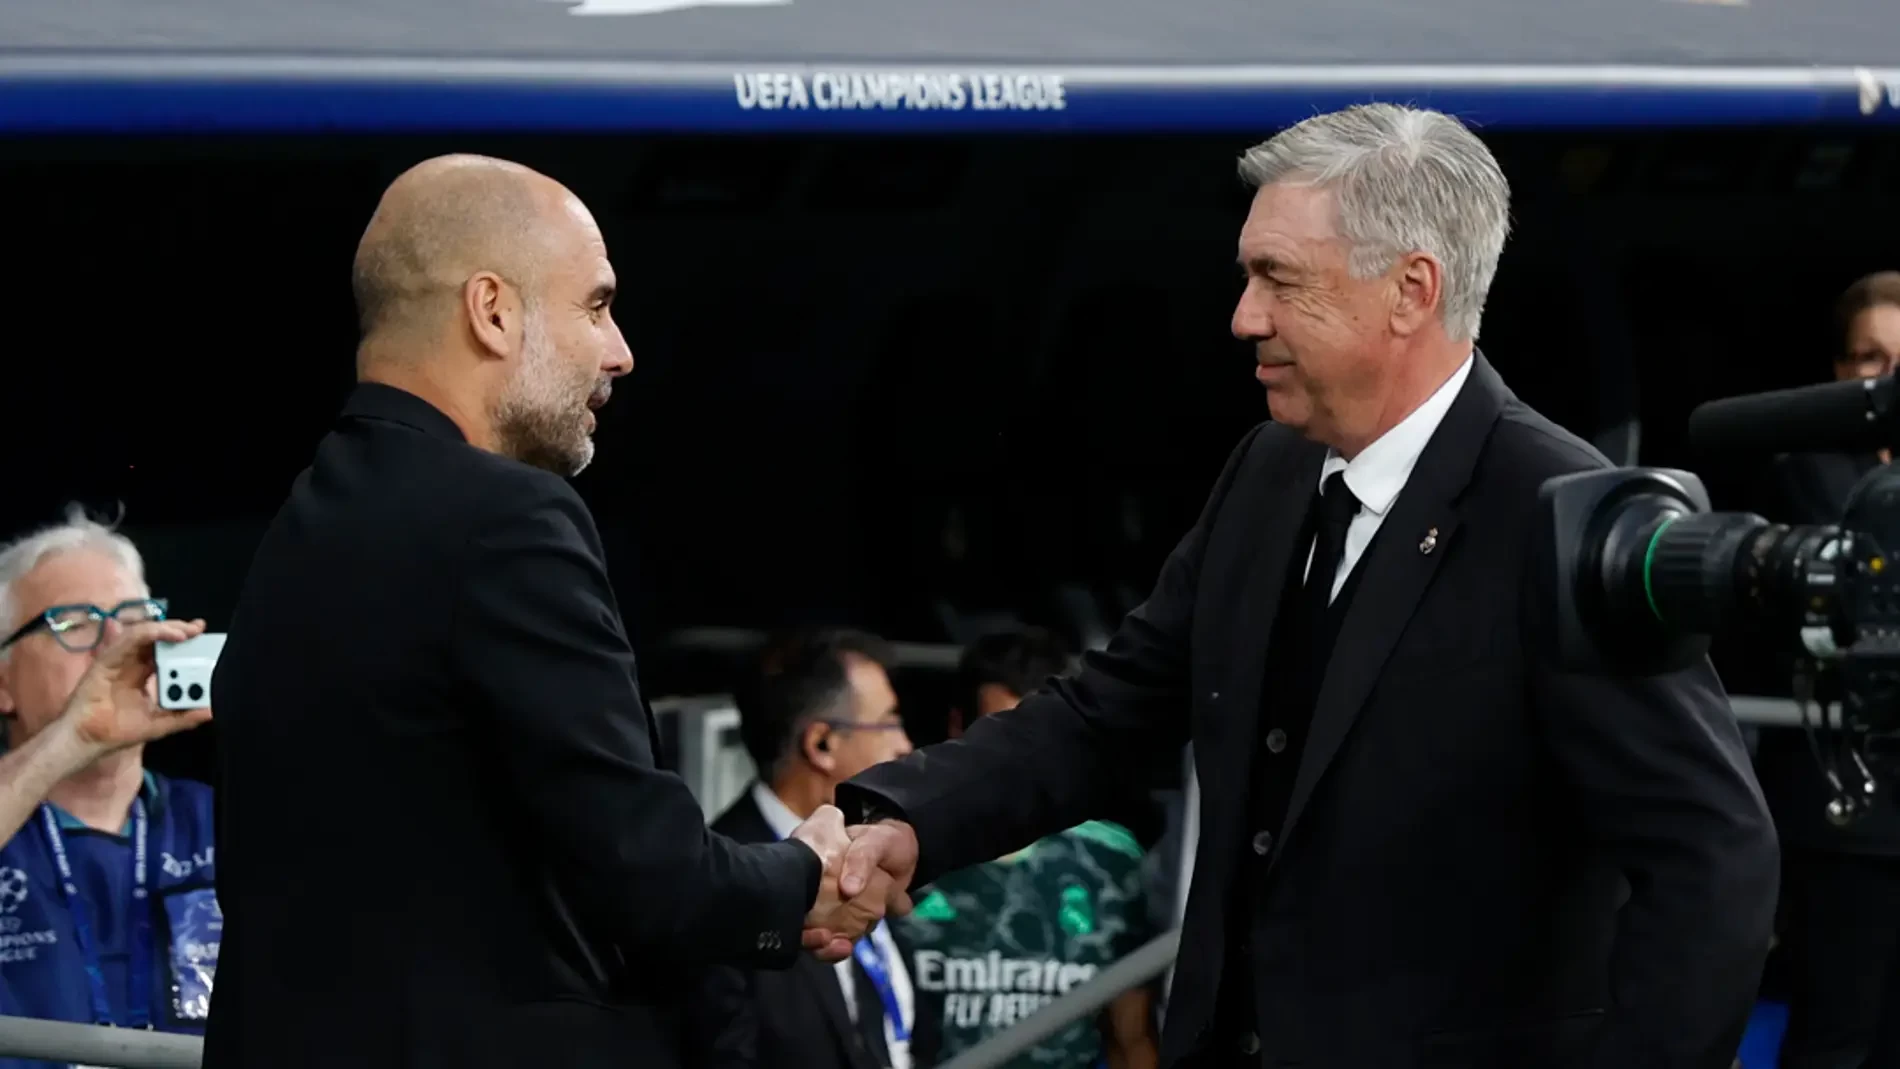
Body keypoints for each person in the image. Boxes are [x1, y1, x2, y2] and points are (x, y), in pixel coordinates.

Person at [831, 104, 1780, 1069]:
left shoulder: (1564, 513)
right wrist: (906, 815)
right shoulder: (1266, 471)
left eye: (1278, 278)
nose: (1244, 316)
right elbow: (1107, 713)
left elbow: (1714, 853)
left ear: (1411, 290)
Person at [203, 155, 891, 1069]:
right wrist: (803, 871)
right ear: (492, 310)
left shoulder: (302, 525)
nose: (621, 351)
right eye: (596, 306)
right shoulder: (506, 518)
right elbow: (654, 877)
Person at [0, 508, 219, 1065]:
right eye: (75, 623)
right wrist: (74, 736)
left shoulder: (223, 820)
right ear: (3, 683)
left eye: (137, 619)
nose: (120, 643)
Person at [1756, 271, 1900, 1069]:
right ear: (1842, 367)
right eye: (1870, 356)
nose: (1888, 375)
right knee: (1836, 1036)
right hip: (1846, 811)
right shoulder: (1806, 461)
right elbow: (1856, 601)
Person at [903, 626, 1160, 1069]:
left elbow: (1130, 1038)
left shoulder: (1111, 862)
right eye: (998, 737)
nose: (1017, 763)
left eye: (1034, 740)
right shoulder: (907, 855)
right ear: (957, 728)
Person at [689, 629, 925, 1069]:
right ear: (822, 744)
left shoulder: (884, 857)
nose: (904, 746)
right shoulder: (721, 883)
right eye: (889, 722)